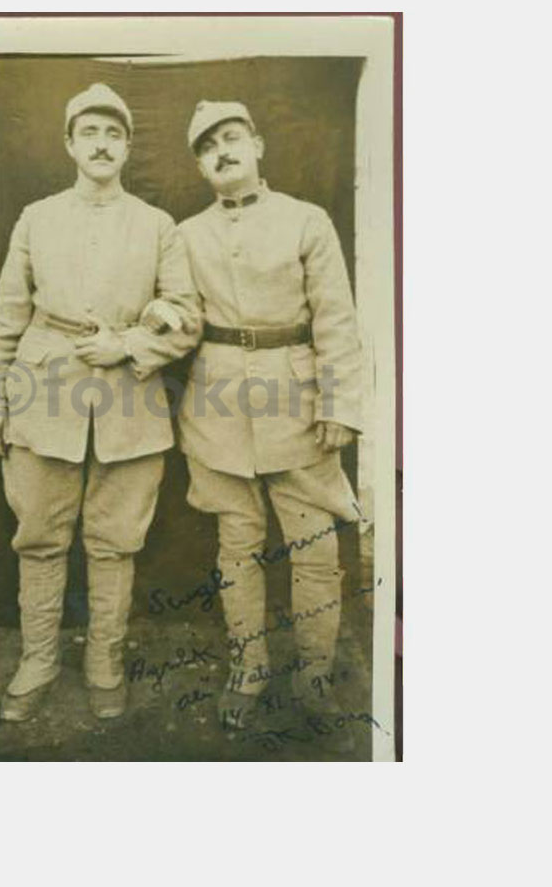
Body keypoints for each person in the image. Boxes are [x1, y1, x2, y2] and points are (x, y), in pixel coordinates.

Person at [0, 83, 200, 722]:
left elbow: (186, 317)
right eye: (90, 133)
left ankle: (105, 662)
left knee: (115, 541)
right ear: (70, 144)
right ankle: (38, 660)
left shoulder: (157, 226)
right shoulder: (36, 218)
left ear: (127, 147)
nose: (102, 145)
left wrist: (125, 344)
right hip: (42, 393)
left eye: (114, 134)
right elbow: (6, 314)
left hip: (130, 401)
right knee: (40, 537)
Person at [177, 100, 363, 738]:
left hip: (297, 402)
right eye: (208, 147)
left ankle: (314, 676)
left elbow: (336, 318)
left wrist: (339, 403)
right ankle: (249, 669)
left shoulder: (306, 220)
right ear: (200, 166)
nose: (222, 152)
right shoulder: (186, 235)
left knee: (315, 550)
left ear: (257, 144)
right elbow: (178, 313)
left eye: (232, 137)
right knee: (237, 546)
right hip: (217, 406)